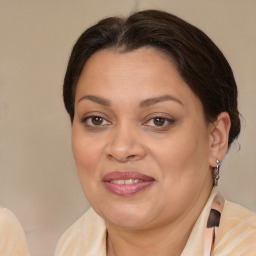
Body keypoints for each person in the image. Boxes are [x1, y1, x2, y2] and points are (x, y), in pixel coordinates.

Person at [54, 10, 256, 256]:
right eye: (97, 119)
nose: (121, 148)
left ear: (215, 138)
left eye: (159, 121)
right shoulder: (77, 243)